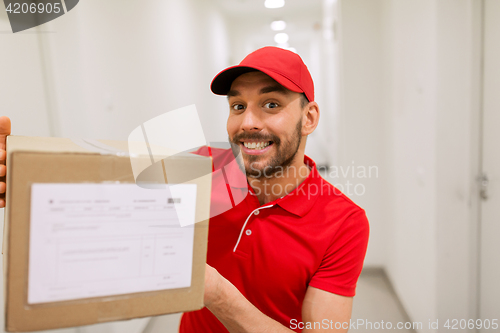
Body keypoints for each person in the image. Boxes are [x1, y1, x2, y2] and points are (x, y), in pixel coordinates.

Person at [0, 46, 369, 333]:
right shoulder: (211, 169)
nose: (248, 122)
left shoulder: (343, 223)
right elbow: (107, 200)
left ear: (309, 118)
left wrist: (216, 293)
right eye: (238, 105)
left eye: (271, 104)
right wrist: (19, 177)